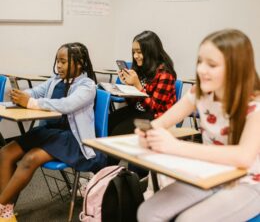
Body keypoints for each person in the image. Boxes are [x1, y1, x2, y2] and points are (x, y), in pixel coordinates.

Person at [136, 29, 260, 222]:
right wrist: (148, 133)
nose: (202, 70)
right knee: (147, 212)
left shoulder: (255, 107)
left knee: (188, 220)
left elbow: (243, 157)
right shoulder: (199, 93)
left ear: (237, 68)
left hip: (250, 183)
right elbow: (161, 122)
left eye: (212, 64)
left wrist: (176, 146)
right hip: (211, 173)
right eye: (200, 62)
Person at [0, 42, 104, 222]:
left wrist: (31, 103)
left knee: (30, 159)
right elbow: (36, 92)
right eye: (57, 61)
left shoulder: (87, 86)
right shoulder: (55, 80)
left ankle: (1, 205)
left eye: (63, 61)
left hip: (72, 139)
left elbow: (67, 105)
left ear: (79, 63)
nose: (59, 66)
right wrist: (22, 96)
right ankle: (6, 211)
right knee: (5, 152)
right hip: (50, 132)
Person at [108, 30, 177, 136]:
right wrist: (128, 85)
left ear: (151, 52)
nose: (135, 56)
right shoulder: (142, 67)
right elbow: (133, 103)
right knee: (109, 121)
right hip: (139, 111)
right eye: (134, 52)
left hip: (157, 116)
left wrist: (137, 85)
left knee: (117, 132)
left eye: (139, 52)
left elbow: (154, 108)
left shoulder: (165, 73)